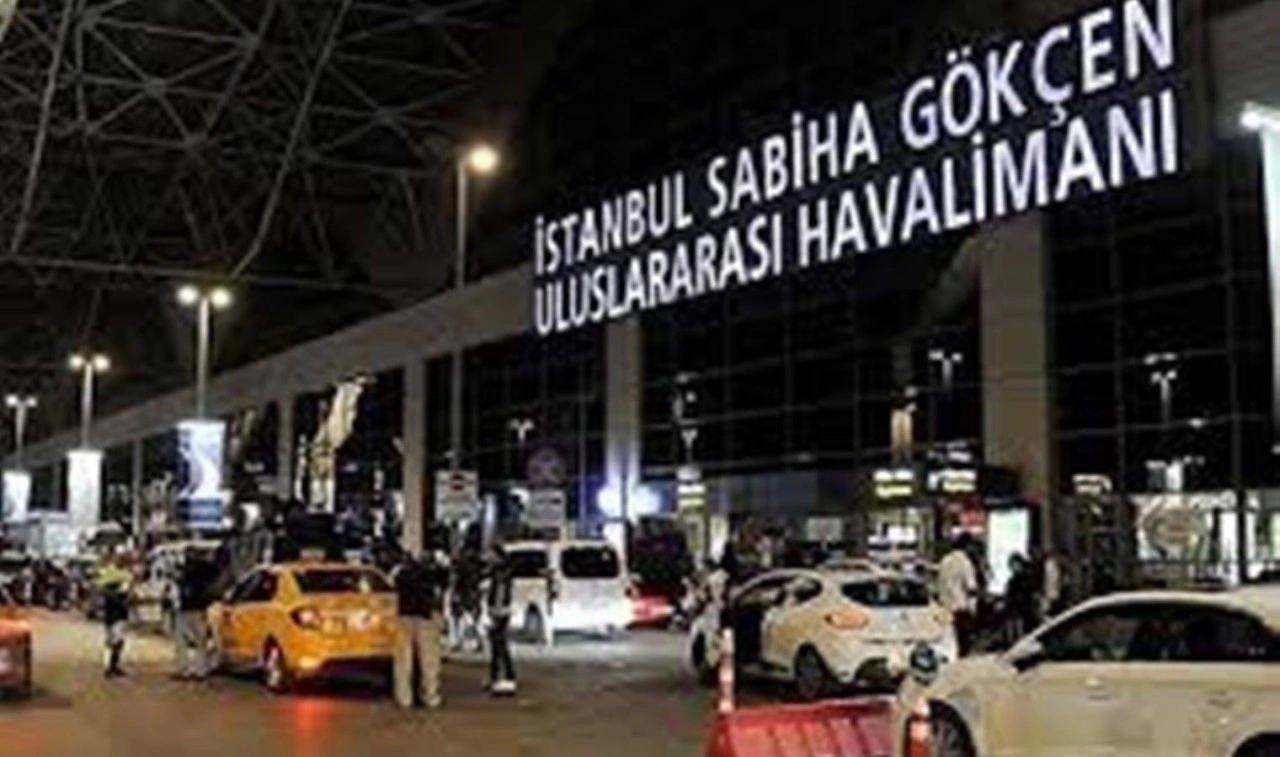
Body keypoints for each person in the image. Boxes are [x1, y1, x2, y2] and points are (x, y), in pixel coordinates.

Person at [392, 529, 450, 710]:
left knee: (403, 660)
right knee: (430, 660)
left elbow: (392, 585)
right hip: (426, 617)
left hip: (404, 616)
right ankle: (431, 697)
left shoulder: (401, 572)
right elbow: (444, 584)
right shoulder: (432, 572)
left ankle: (404, 698)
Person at [173, 554, 217, 680]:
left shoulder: (186, 573)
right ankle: (200, 671)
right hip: (200, 610)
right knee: (201, 642)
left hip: (186, 610)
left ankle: (184, 670)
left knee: (182, 641)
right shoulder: (206, 573)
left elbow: (181, 586)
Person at [938, 534, 979, 656]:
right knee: (963, 642)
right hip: (961, 607)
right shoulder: (965, 562)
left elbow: (940, 583)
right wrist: (973, 607)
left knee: (948, 640)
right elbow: (971, 586)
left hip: (945, 606)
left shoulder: (945, 560)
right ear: (967, 546)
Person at [484, 544, 517, 695]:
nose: (488, 557)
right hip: (500, 611)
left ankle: (507, 676)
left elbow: (500, 593)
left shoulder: (501, 573)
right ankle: (496, 677)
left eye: (491, 554)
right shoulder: (499, 571)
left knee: (499, 645)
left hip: (500, 612)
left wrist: (495, 613)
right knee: (497, 646)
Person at [97, 559, 133, 678]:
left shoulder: (123, 575)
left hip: (117, 613)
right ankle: (110, 666)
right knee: (114, 641)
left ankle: (113, 665)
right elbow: (106, 591)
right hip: (114, 613)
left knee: (117, 641)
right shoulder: (112, 575)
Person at [1003, 553, 1037, 644]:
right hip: (1016, 611)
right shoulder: (1012, 581)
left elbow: (1031, 593)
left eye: (1016, 565)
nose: (1014, 568)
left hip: (1026, 611)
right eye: (1012, 566)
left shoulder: (1028, 578)